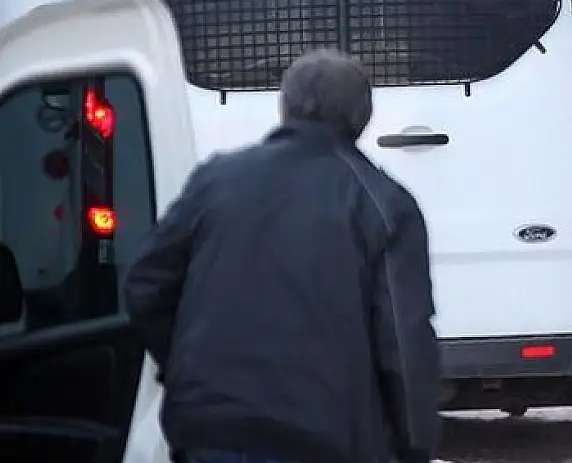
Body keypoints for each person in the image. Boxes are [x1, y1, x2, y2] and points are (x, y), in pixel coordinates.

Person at [124, 50, 440, 463]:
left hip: (209, 432)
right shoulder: (384, 205)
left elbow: (146, 286)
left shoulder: (215, 180)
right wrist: (414, 447)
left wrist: (186, 368)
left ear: (284, 106)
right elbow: (403, 343)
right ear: (363, 118)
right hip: (326, 438)